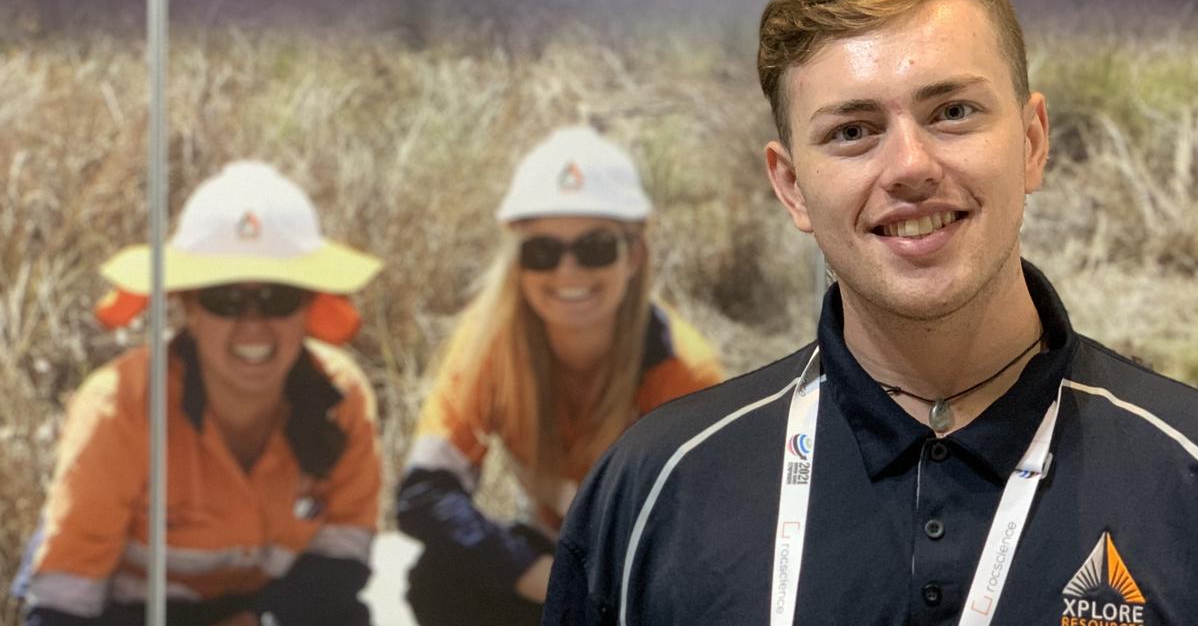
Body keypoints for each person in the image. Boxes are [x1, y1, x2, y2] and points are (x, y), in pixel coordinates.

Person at [542, 0, 1198, 625]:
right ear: (792, 185)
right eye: (853, 132)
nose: (910, 168)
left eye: (952, 111)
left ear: (1031, 142)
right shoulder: (654, 490)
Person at [14, 161, 384, 626]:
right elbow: (65, 603)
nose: (253, 325)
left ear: (311, 305)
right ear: (188, 306)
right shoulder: (119, 409)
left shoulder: (343, 399)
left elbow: (341, 560)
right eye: (225, 299)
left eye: (278, 298)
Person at [396, 125, 724, 625]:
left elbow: (697, 538)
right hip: (552, 566)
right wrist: (545, 580)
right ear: (519, 263)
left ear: (634, 255)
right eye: (543, 252)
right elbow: (424, 495)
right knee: (437, 579)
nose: (567, 273)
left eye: (595, 248)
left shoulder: (682, 370)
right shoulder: (488, 346)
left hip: (632, 587)